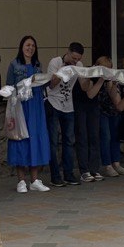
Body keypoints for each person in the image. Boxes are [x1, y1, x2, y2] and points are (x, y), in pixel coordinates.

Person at [5, 36, 51, 193]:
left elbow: (42, 86)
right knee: (21, 139)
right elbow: (9, 87)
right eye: (27, 45)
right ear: (22, 47)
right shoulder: (14, 64)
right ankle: (21, 181)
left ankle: (35, 180)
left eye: (33, 45)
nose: (30, 48)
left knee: (36, 139)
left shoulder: (38, 65)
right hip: (21, 107)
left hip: (36, 106)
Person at [45, 42, 84, 186]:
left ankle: (68, 174)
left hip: (68, 106)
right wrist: (63, 70)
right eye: (73, 58)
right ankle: (55, 176)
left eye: (78, 59)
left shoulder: (78, 65)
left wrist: (88, 75)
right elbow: (51, 84)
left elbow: (84, 86)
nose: (75, 61)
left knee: (69, 141)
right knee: (53, 142)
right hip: (53, 103)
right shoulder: (55, 62)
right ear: (67, 52)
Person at [96, 56, 124, 177]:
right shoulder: (96, 79)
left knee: (115, 137)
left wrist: (114, 83)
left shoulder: (111, 79)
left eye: (109, 69)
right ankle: (107, 165)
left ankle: (116, 163)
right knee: (106, 137)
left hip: (114, 111)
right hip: (102, 111)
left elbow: (114, 95)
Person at [74, 57, 106, 183]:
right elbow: (90, 93)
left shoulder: (102, 77)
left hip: (93, 108)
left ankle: (94, 169)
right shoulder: (88, 72)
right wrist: (101, 80)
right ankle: (84, 171)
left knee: (94, 137)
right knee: (82, 137)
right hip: (81, 107)